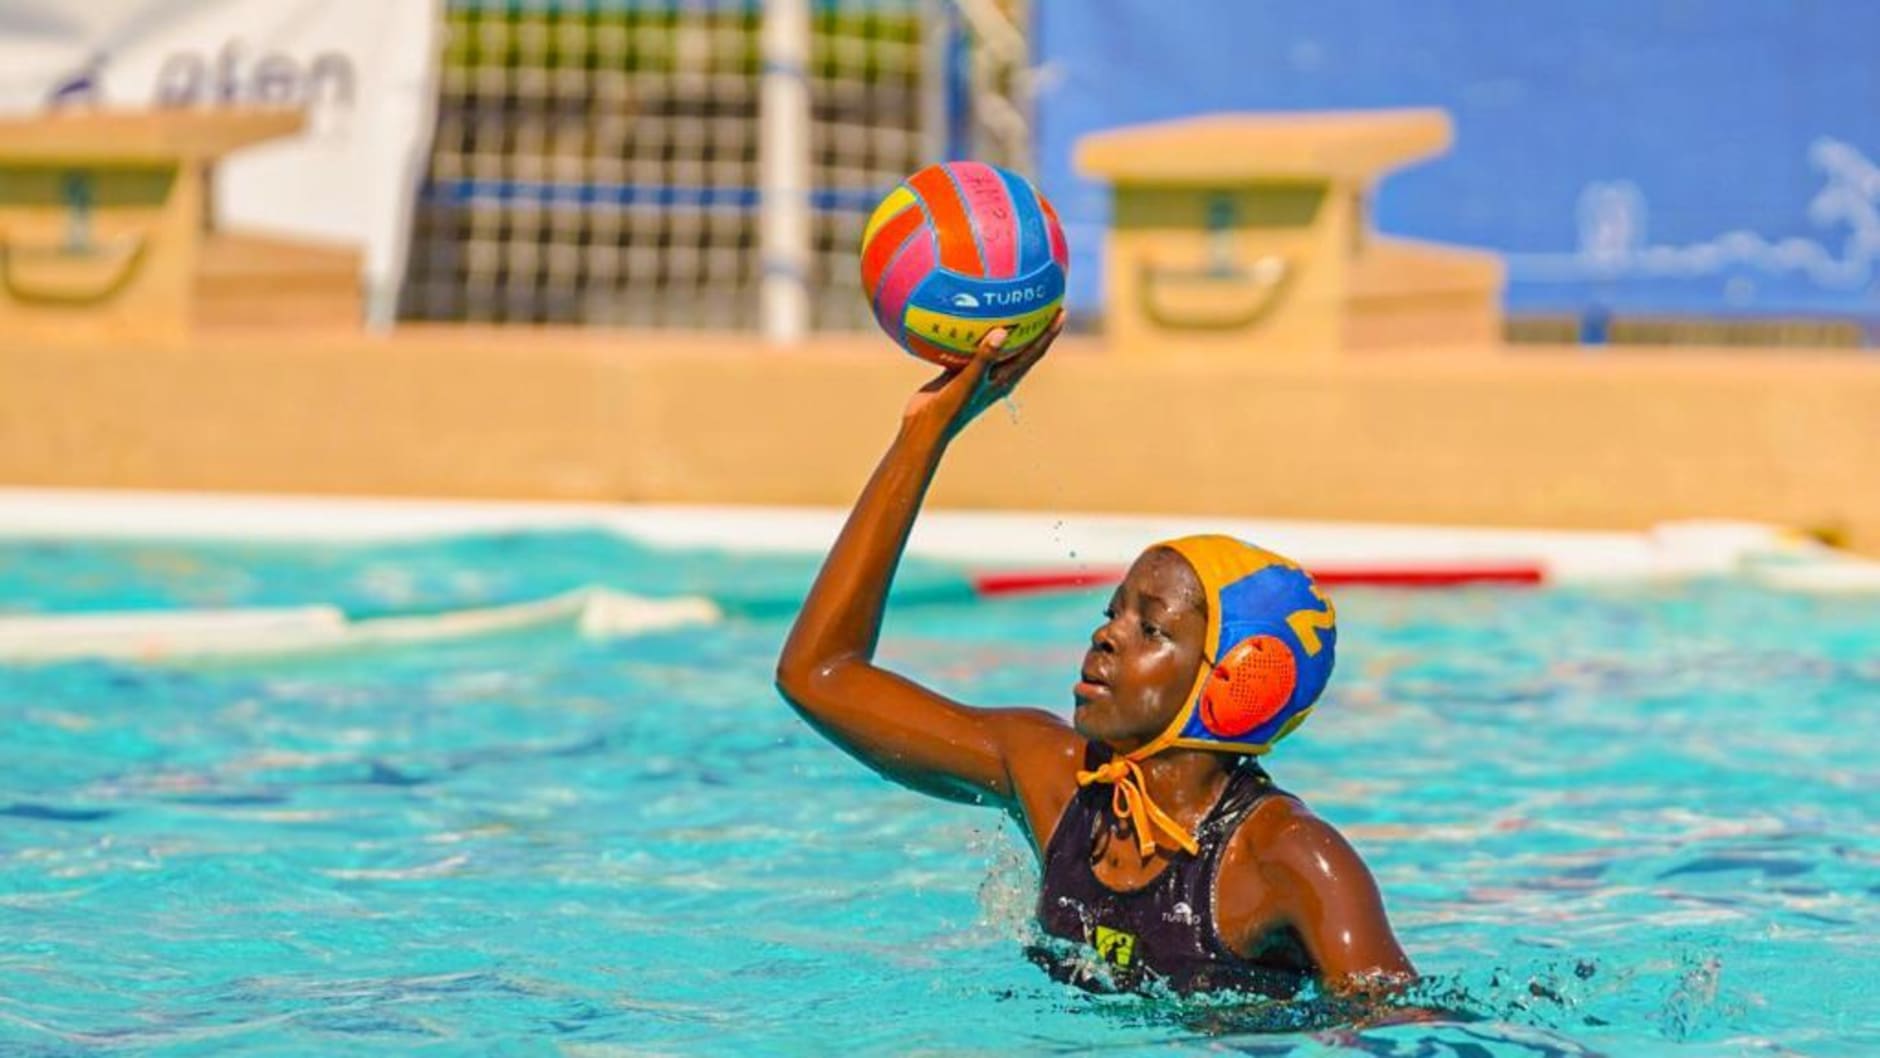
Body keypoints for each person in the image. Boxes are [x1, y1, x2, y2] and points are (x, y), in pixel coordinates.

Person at [775, 315, 1413, 996]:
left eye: (1151, 629)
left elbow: (1397, 1030)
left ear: (1238, 684)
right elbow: (819, 675)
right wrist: (925, 434)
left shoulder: (1288, 858)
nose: (1106, 636)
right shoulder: (1053, 776)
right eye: (1112, 614)